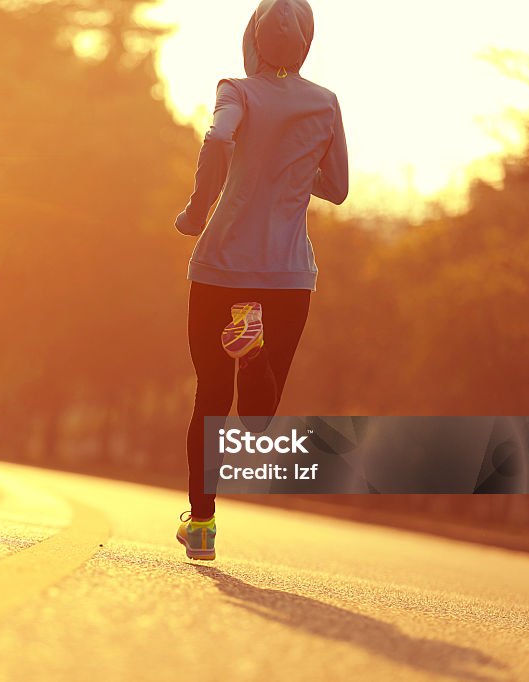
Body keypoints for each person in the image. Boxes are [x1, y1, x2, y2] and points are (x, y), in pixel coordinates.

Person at [174, 0, 348, 561]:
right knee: (257, 416)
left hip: (222, 264)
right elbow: (339, 186)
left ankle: (201, 525)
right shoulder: (325, 103)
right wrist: (293, 171)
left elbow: (220, 139)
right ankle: (254, 355)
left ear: (251, 38)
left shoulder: (237, 90)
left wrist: (197, 212)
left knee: (210, 398)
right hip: (288, 275)